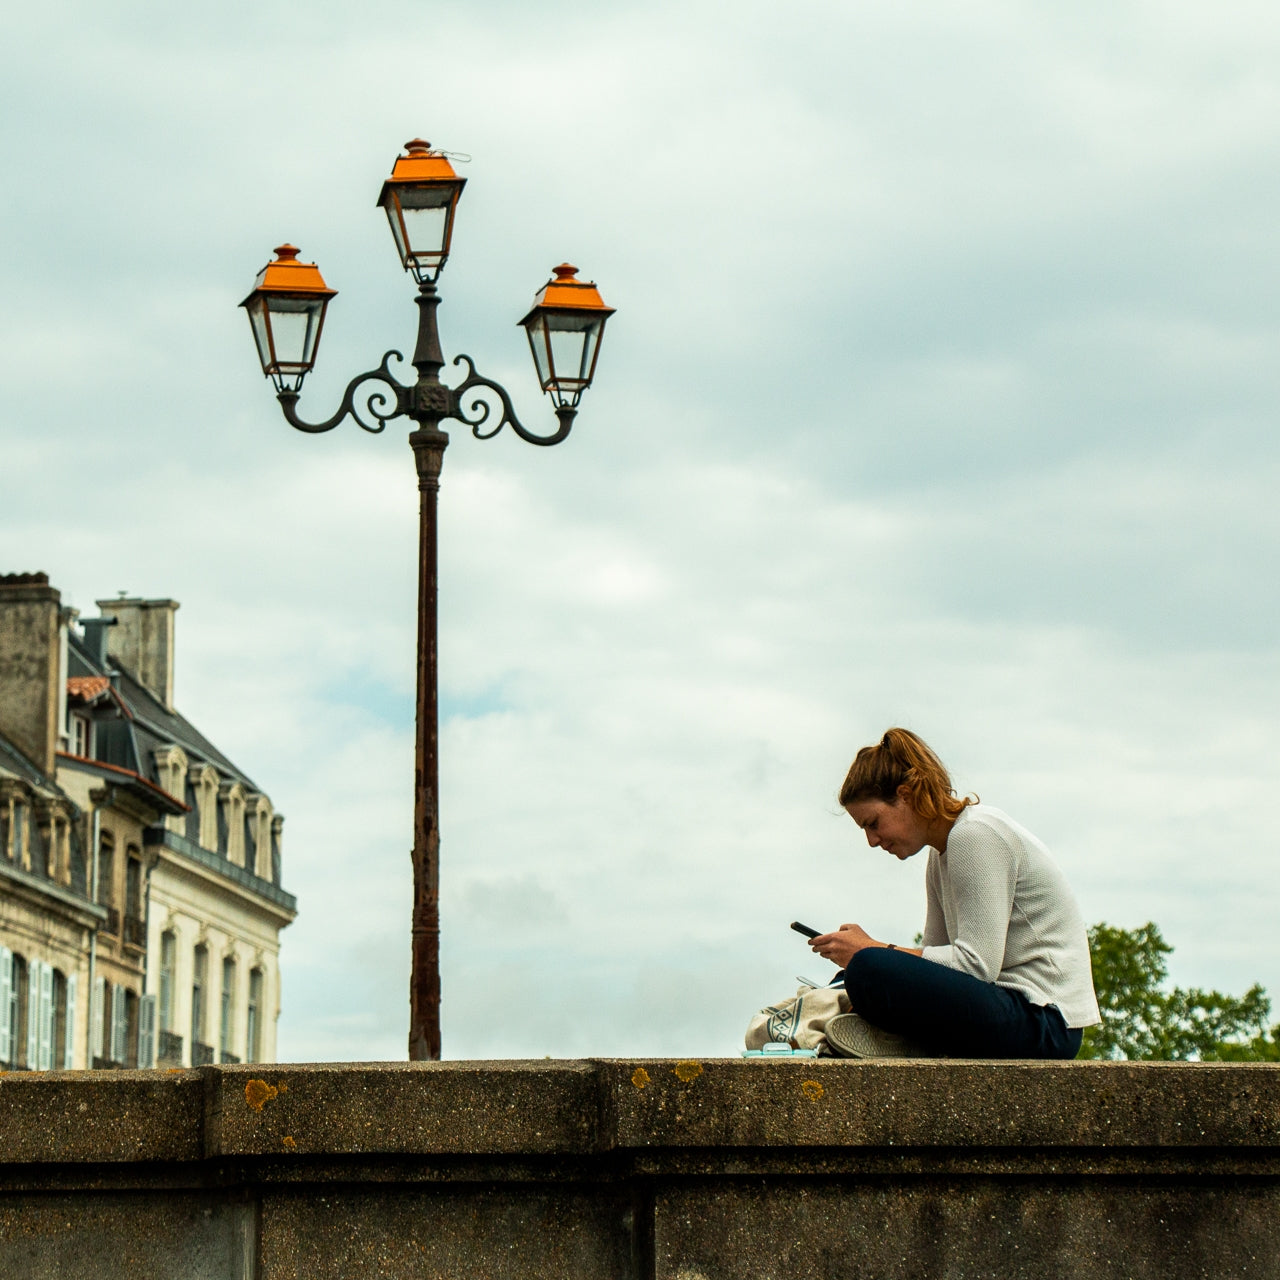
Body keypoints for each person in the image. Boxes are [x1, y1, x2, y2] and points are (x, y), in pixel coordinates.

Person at [812, 727, 1099, 1059]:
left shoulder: (975, 834)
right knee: (858, 973)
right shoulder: (941, 855)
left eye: (873, 823)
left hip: (1046, 1020)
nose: (872, 841)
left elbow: (976, 966)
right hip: (1009, 1008)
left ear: (905, 796)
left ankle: (907, 1039)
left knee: (869, 967)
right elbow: (933, 961)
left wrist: (870, 949)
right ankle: (903, 1037)